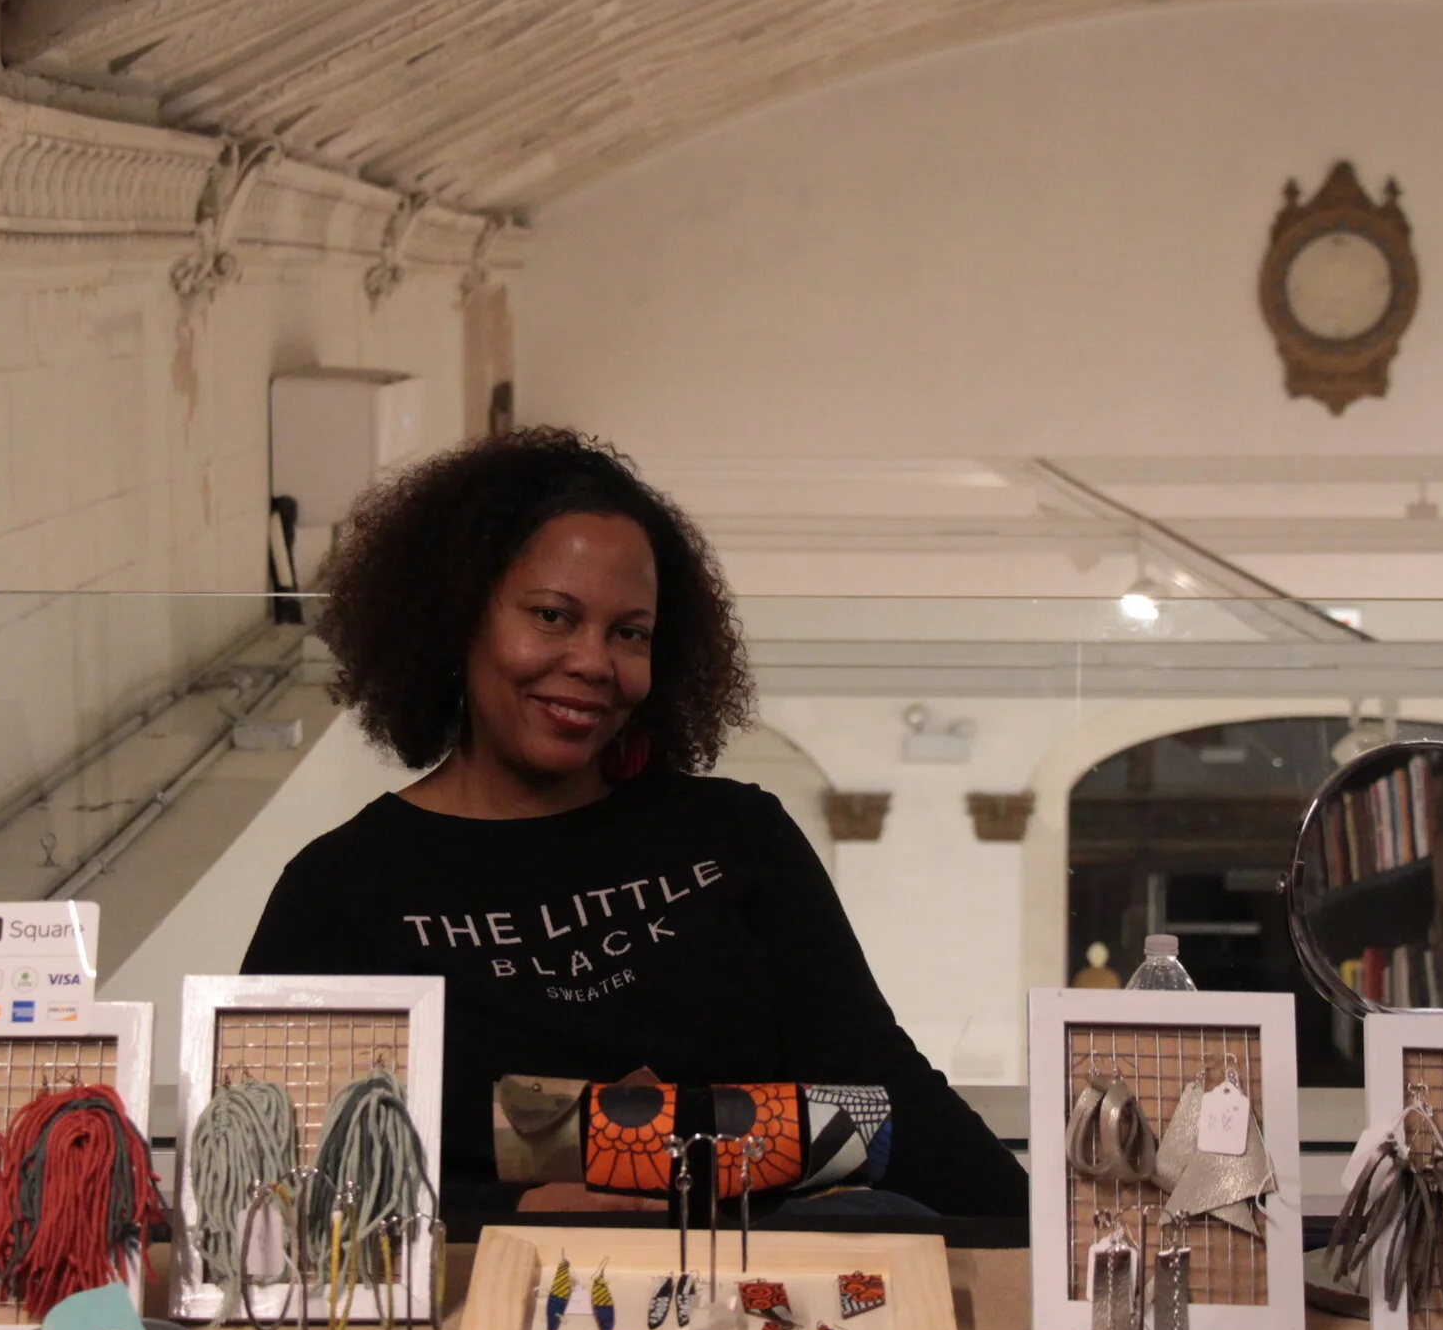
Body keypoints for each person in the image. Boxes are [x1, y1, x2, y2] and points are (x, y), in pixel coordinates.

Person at [242, 428, 1025, 1216]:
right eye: (553, 615)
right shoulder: (342, 891)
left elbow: (885, 1089)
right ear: (456, 619)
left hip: (755, 1284)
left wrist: (1038, 1238)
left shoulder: (736, 837)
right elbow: (285, 1187)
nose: (594, 661)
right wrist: (516, 1213)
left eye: (630, 633)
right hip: (479, 1288)